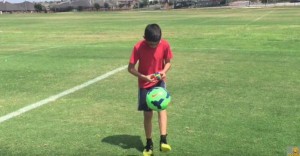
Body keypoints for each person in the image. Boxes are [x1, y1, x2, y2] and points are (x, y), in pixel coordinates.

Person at [128, 23, 173, 156]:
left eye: (156, 43)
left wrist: (164, 71)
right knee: (148, 115)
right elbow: (130, 68)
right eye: (150, 44)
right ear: (144, 38)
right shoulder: (138, 47)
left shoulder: (165, 44)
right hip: (144, 84)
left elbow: (168, 62)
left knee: (162, 108)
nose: (153, 46)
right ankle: (149, 143)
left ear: (161, 38)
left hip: (159, 82)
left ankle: (163, 140)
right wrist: (144, 77)